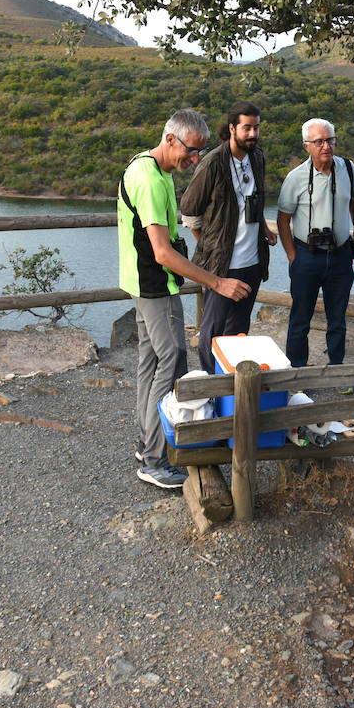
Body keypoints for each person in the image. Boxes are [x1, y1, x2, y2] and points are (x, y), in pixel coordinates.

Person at [118, 109, 250, 489]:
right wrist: (217, 282)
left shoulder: (152, 169)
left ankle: (148, 444)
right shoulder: (148, 179)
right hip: (155, 285)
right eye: (191, 152)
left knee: (150, 362)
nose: (194, 161)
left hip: (145, 284)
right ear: (170, 139)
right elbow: (162, 252)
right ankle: (157, 461)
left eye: (200, 153)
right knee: (171, 362)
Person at [179, 101, 277, 374]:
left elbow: (252, 201)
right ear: (232, 128)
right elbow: (189, 212)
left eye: (256, 128)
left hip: (252, 263)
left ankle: (233, 386)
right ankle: (211, 385)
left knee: (238, 331)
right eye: (247, 128)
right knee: (212, 332)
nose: (253, 134)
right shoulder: (212, 164)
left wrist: (265, 229)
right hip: (222, 268)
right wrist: (210, 247)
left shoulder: (256, 157)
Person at [276, 118, 354, 376]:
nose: (326, 146)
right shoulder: (295, 178)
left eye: (330, 140)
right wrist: (292, 255)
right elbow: (282, 221)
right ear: (307, 145)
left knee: (337, 319)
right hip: (306, 256)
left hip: (340, 255)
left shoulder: (348, 169)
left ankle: (336, 370)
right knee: (300, 320)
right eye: (319, 141)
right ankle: (297, 373)